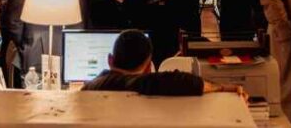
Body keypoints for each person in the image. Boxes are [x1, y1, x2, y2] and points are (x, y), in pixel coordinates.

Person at [83, 29, 247, 99]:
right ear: (148, 66)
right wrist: (223, 88)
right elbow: (183, 81)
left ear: (110, 60)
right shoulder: (142, 84)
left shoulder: (89, 88)